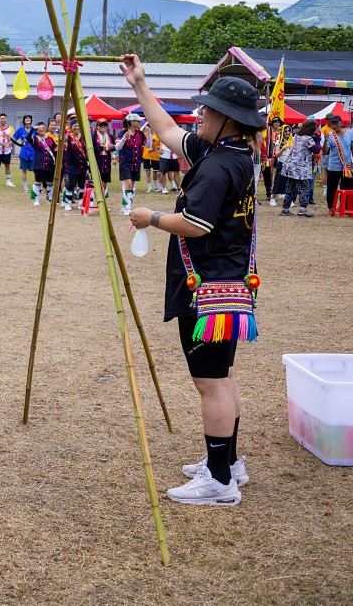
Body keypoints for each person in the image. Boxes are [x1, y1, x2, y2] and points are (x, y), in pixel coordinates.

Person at [124, 56, 261, 507]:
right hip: (227, 282)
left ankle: (218, 481)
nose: (198, 115)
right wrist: (140, 85)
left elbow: (197, 224)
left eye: (207, 110)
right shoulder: (233, 152)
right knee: (222, 375)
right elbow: (166, 131)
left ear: (229, 120)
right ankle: (228, 462)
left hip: (208, 289)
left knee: (211, 383)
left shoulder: (220, 166)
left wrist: (153, 217)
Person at [280, 118, 321, 217]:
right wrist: (317, 139)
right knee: (304, 188)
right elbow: (316, 150)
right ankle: (302, 208)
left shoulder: (297, 136)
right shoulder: (308, 139)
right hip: (301, 168)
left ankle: (285, 209)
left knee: (290, 188)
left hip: (291, 166)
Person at [115, 112, 145, 214]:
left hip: (136, 163)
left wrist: (149, 135)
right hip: (125, 163)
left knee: (131, 186)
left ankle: (125, 205)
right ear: (132, 122)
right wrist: (124, 138)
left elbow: (148, 145)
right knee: (127, 185)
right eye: (138, 121)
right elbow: (117, 148)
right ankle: (127, 208)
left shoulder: (140, 134)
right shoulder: (122, 133)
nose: (140, 122)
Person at [322, 112, 353, 212]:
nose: (334, 125)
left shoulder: (350, 133)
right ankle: (331, 207)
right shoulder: (330, 136)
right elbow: (325, 151)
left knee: (348, 187)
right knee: (332, 188)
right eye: (332, 123)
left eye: (336, 123)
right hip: (333, 166)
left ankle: (346, 206)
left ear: (341, 123)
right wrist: (326, 140)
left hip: (347, 166)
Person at [29, 121, 57, 206]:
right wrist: (32, 129)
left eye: (43, 128)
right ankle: (36, 199)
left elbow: (55, 149)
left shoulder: (50, 139)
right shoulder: (35, 139)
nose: (42, 130)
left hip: (49, 164)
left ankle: (50, 197)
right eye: (40, 128)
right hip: (39, 164)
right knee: (38, 182)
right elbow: (27, 138)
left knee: (50, 182)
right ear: (37, 130)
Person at [0, 113, 15, 187]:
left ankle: (8, 181)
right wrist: (2, 143)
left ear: (6, 119)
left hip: (7, 151)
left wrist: (10, 143)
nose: (2, 120)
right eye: (1, 118)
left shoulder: (10, 128)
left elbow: (13, 138)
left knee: (7, 166)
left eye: (4, 118)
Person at [13, 114, 35, 192]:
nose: (28, 119)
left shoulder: (34, 129)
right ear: (23, 120)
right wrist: (20, 144)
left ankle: (37, 185)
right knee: (24, 170)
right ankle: (25, 186)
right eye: (26, 118)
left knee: (35, 170)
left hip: (33, 152)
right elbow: (13, 138)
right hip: (24, 152)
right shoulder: (20, 130)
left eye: (29, 118)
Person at [93, 119, 114, 193]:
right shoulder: (94, 136)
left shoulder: (110, 136)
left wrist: (112, 147)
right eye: (100, 125)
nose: (103, 127)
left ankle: (104, 191)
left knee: (106, 177)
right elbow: (90, 148)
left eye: (104, 125)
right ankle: (97, 191)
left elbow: (114, 147)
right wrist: (99, 147)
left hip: (107, 159)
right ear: (97, 127)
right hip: (97, 159)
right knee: (97, 176)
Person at [158, 130, 181, 194]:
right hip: (165, 155)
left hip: (174, 156)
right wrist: (157, 150)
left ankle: (179, 188)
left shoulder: (177, 134)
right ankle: (164, 188)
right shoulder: (163, 133)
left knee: (176, 172)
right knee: (163, 172)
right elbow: (152, 140)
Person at [142, 124, 162, 192]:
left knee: (156, 172)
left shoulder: (157, 135)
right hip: (146, 156)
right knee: (147, 172)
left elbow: (160, 146)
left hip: (155, 156)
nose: (148, 129)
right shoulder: (144, 135)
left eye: (149, 128)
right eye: (147, 128)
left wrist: (154, 149)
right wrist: (144, 127)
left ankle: (156, 186)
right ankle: (149, 187)